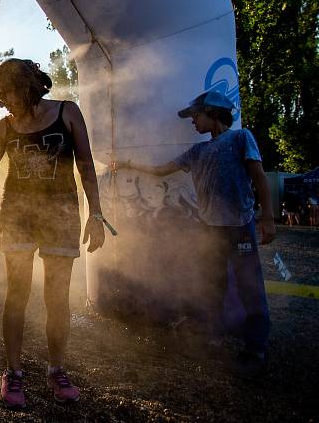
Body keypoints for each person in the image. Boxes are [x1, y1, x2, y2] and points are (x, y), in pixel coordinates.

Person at [0, 58, 106, 408]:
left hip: (61, 213)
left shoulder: (67, 112)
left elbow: (86, 165)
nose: (2, 102)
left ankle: (56, 370)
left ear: (25, 85)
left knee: (56, 298)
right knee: (17, 294)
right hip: (16, 215)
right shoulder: (5, 127)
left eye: (6, 93)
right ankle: (13, 373)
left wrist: (97, 214)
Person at [117, 90, 275, 376]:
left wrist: (268, 218)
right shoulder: (197, 152)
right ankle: (212, 337)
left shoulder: (241, 138)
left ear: (213, 113)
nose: (193, 122)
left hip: (240, 227)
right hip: (210, 229)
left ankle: (256, 348)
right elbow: (161, 170)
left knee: (250, 287)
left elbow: (259, 177)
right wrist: (128, 164)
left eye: (196, 116)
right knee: (212, 286)